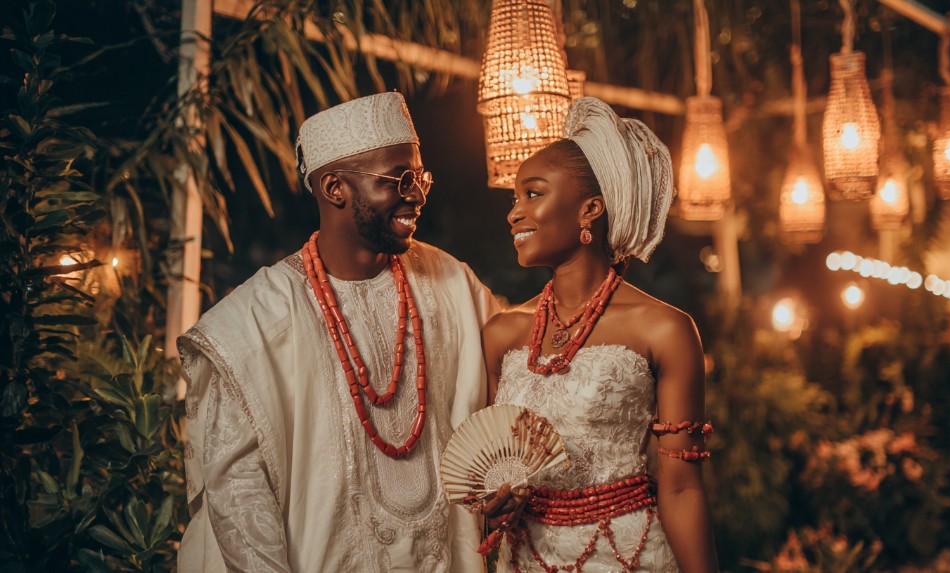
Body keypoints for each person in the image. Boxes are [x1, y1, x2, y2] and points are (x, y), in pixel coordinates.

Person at [177, 92, 500, 572]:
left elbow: (511, 403)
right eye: (399, 179)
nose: (417, 193)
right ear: (334, 188)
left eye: (420, 176)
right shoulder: (253, 323)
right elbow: (238, 491)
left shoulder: (454, 284)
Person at [481, 97, 719, 572]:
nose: (514, 213)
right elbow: (492, 466)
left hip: (628, 556)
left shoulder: (665, 328)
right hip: (526, 558)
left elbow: (680, 487)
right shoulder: (502, 333)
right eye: (514, 199)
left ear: (590, 209)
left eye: (533, 194)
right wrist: (494, 505)